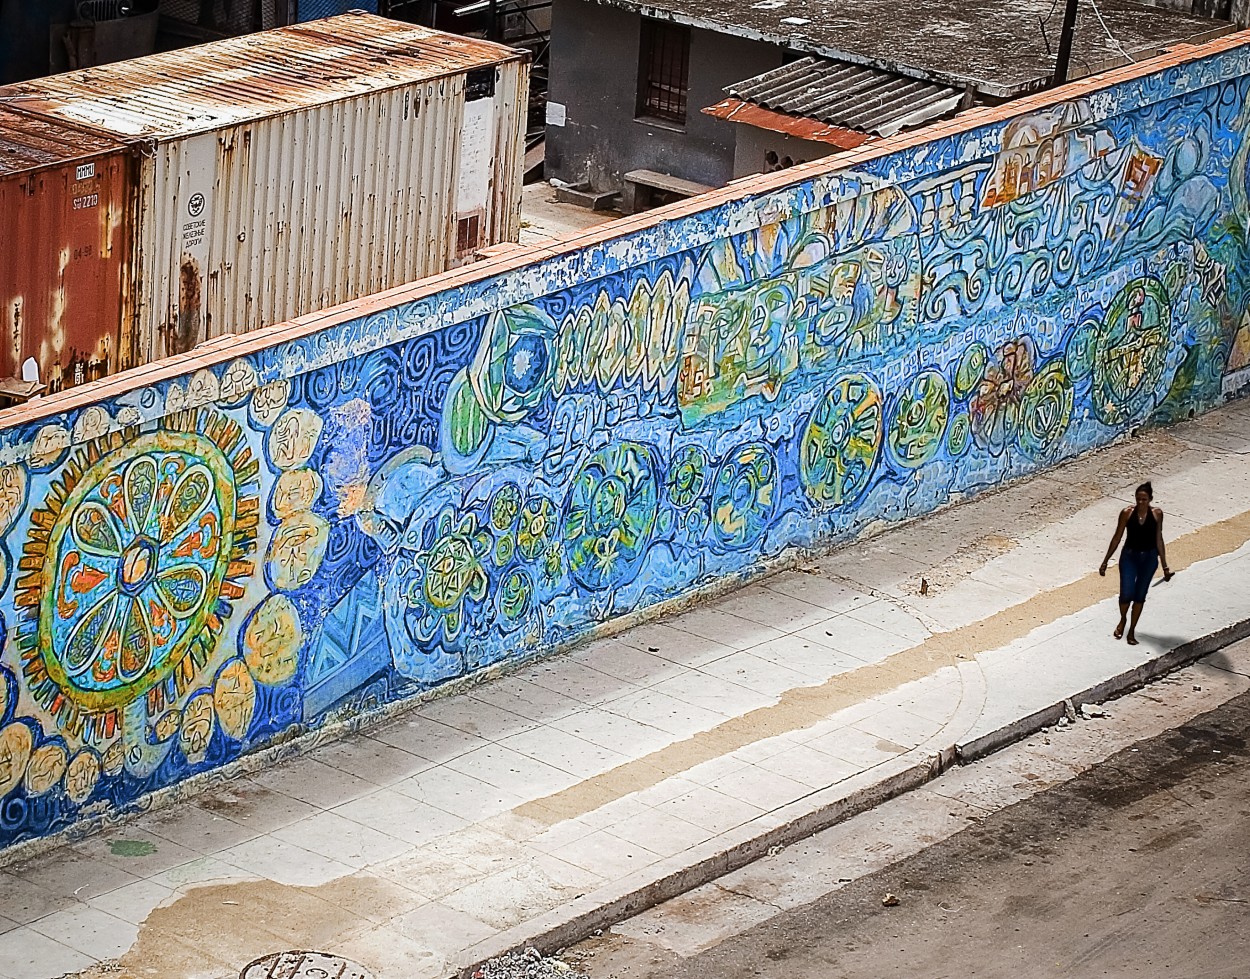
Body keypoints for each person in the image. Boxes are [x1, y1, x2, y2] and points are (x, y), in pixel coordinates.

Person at [1099, 481, 1173, 645]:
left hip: (1149, 558)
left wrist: (1165, 565)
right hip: (1129, 557)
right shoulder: (1126, 513)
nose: (1141, 502)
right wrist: (1105, 561)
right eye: (1138, 499)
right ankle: (1123, 619)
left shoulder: (1157, 514)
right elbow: (1117, 537)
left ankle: (1132, 631)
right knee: (1126, 594)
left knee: (1140, 596)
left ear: (1150, 499)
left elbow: (1159, 539)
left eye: (1144, 499)